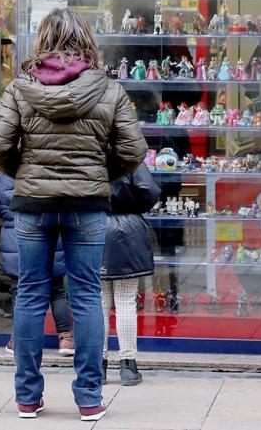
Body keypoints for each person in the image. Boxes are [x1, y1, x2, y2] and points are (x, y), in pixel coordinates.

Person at [0, 8, 147, 422]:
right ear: (87, 41)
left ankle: (27, 397)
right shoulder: (108, 90)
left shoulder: (20, 88)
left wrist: (25, 171)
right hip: (87, 207)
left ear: (42, 41)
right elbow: (133, 151)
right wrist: (96, 175)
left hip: (33, 207)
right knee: (87, 295)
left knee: (31, 294)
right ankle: (89, 397)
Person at [0, 167, 74, 356]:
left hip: (18, 238)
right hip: (51, 232)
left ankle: (18, 340)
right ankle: (66, 339)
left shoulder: (7, 174)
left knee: (20, 292)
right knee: (56, 291)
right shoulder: (48, 167)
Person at [101, 163, 160, 386]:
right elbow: (150, 190)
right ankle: (128, 365)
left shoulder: (88, 148)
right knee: (126, 301)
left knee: (99, 303)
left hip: (95, 226)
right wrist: (134, 206)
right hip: (128, 227)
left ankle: (99, 364)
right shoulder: (128, 155)